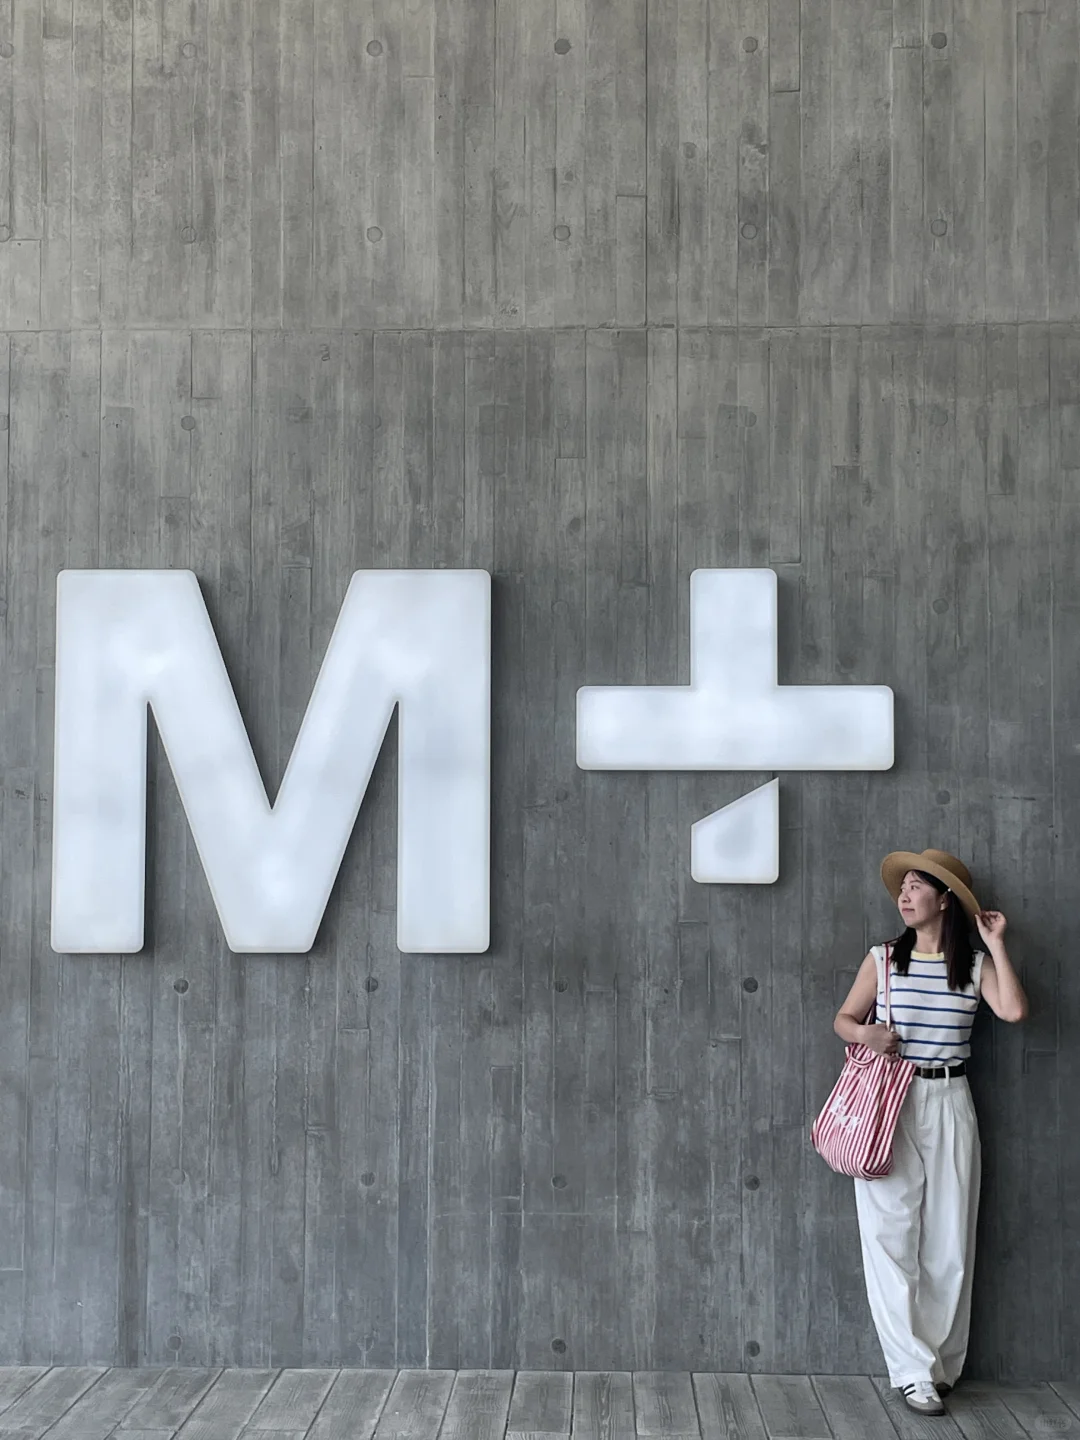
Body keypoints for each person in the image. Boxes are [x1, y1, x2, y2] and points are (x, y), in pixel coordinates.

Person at [832, 848, 1028, 1416]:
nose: (906, 893)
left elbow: (1014, 1011)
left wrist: (995, 943)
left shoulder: (972, 965)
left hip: (950, 1099)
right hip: (888, 1102)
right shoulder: (883, 959)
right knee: (888, 1237)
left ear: (945, 900)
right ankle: (911, 1370)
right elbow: (844, 1019)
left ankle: (939, 1367)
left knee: (949, 1241)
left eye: (918, 885)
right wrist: (866, 1036)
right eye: (904, 886)